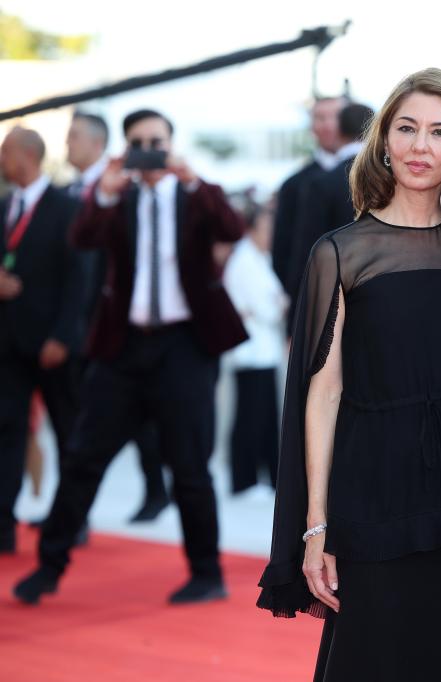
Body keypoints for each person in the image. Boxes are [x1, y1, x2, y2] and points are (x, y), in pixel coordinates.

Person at [257, 68, 441, 682]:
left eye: (439, 132)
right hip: (374, 492)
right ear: (382, 140)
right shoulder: (342, 252)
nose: (420, 146)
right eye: (406, 128)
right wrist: (315, 525)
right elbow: (321, 393)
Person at [12, 109, 248, 606]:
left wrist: (192, 178)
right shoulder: (115, 198)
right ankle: (49, 566)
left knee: (189, 465)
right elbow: (81, 238)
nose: (148, 150)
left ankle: (207, 573)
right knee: (82, 457)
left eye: (156, 141)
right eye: (138, 141)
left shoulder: (196, 195)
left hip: (185, 345)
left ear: (171, 143)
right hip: (122, 346)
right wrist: (105, 190)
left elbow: (232, 228)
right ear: (125, 148)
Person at [66, 110, 170, 523]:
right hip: (92, 326)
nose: (67, 145)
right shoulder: (95, 191)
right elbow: (80, 244)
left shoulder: (129, 192)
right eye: (137, 145)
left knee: (131, 421)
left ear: (97, 143)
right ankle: (74, 516)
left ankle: (155, 490)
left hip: (118, 329)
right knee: (91, 427)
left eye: (74, 136)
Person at [0, 127, 87, 554]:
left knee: (70, 431)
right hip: (8, 345)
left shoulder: (66, 208)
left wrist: (63, 336)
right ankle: (3, 525)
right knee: (7, 432)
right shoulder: (2, 207)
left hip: (53, 345)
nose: (1, 161)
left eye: (4, 153)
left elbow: (79, 279)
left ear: (24, 156)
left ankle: (73, 519)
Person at [223, 198, 287, 495]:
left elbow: (276, 301)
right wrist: (276, 306)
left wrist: (276, 305)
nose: (270, 234)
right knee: (249, 418)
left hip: (263, 350)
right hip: (250, 352)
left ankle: (263, 477)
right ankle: (244, 479)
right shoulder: (244, 260)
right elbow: (270, 308)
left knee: (264, 418)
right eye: (266, 228)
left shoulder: (259, 259)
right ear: (251, 229)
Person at [284, 103, 375, 307]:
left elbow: (302, 260)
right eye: (320, 117)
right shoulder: (395, 179)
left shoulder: (320, 184)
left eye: (331, 117)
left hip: (329, 304)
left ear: (340, 130)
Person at [271, 97, 344, 305]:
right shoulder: (294, 185)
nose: (329, 125)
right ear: (311, 126)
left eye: (336, 117)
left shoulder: (373, 177)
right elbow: (283, 251)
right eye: (320, 118)